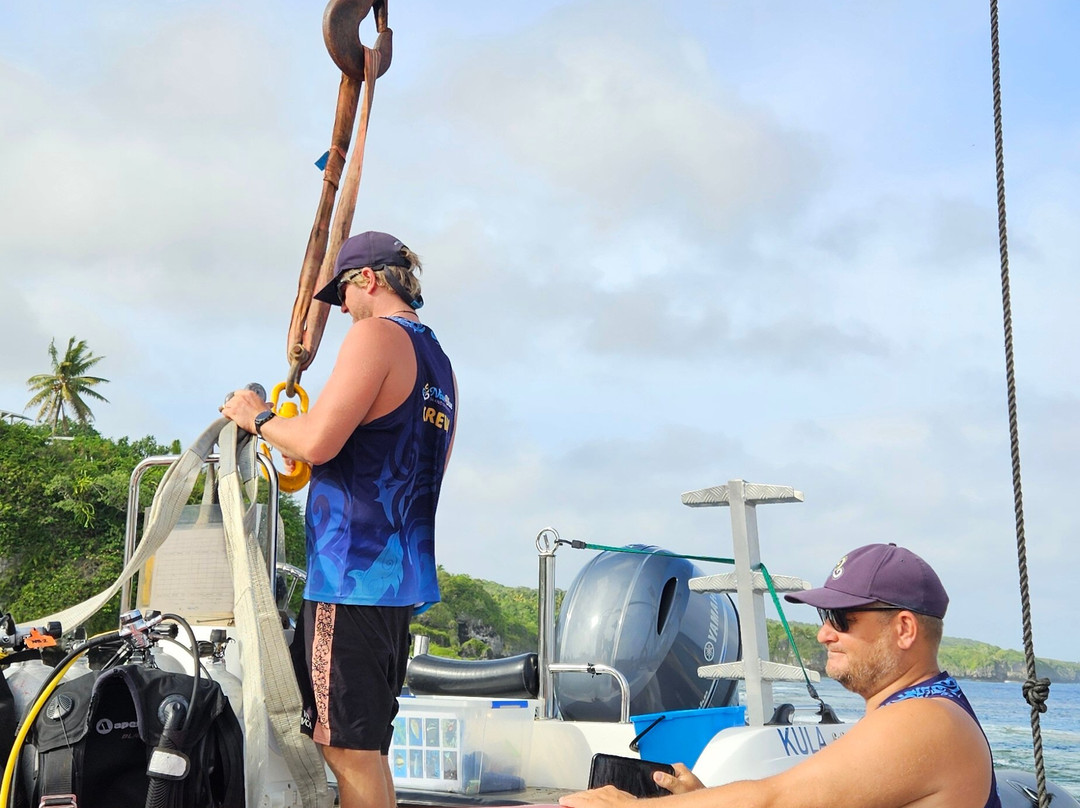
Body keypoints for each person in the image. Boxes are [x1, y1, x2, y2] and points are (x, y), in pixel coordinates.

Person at [221, 231, 457, 808]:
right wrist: (299, 441)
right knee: (368, 749)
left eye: (343, 295)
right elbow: (415, 461)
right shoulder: (440, 363)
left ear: (367, 280)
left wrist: (259, 417)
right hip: (398, 588)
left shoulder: (374, 335)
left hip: (349, 578)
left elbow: (321, 440)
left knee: (346, 752)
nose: (342, 310)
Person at [561, 543, 1002, 808]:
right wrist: (699, 798)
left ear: (904, 629)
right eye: (822, 615)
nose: (824, 633)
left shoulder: (927, 722)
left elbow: (773, 799)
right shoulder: (912, 711)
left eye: (841, 617)